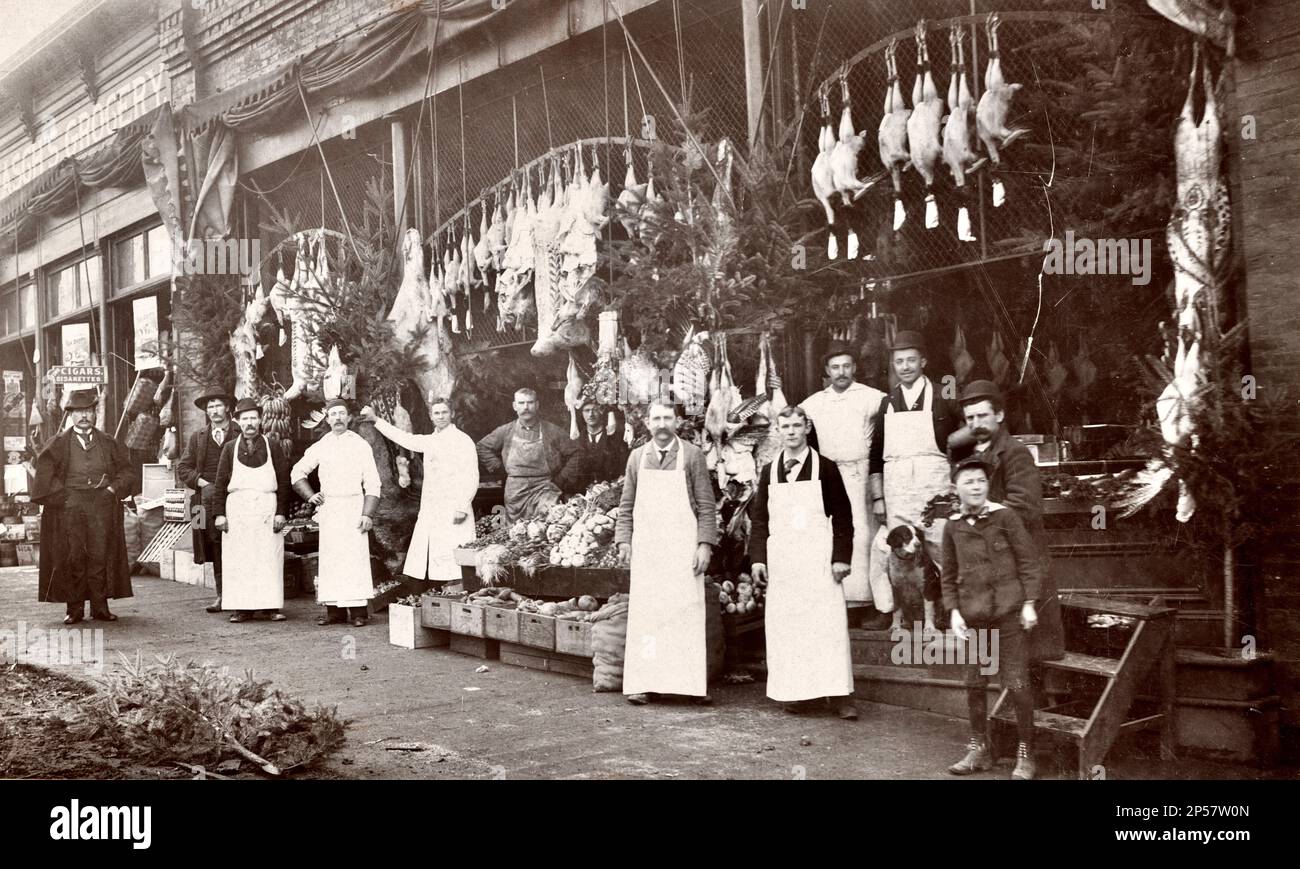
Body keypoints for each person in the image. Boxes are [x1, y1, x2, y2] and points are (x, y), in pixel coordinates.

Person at [748, 406, 857, 720]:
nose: (792, 432)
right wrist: (758, 560)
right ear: (778, 431)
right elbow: (759, 522)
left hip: (819, 562)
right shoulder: (769, 471)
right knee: (791, 629)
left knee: (827, 627)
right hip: (784, 564)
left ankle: (840, 696)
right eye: (786, 426)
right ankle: (797, 694)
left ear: (807, 428)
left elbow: (844, 519)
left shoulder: (826, 468)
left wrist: (840, 558)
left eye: (797, 425)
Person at [942, 454, 1042, 780]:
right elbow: (949, 573)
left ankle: (1025, 754)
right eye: (968, 481)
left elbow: (1028, 561)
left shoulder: (1006, 516)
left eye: (981, 481)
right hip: (974, 616)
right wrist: (954, 611)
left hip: (1008, 613)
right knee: (974, 682)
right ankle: (978, 749)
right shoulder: (953, 525)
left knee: (1016, 684)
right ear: (955, 487)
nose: (975, 486)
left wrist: (1028, 602)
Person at [950, 380, 1064, 661]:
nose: (976, 423)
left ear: (999, 415)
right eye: (970, 418)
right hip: (995, 562)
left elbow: (1025, 506)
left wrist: (978, 516)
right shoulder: (972, 456)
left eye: (982, 416)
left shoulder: (1015, 452)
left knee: (1026, 649)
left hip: (1018, 557)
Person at [615, 400, 718, 706]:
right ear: (647, 423)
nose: (662, 424)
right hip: (648, 550)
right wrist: (624, 541)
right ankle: (644, 683)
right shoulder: (637, 457)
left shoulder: (692, 455)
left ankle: (689, 685)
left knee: (684, 613)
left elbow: (706, 505)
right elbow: (626, 505)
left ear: (677, 422)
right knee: (648, 617)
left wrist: (704, 544)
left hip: (682, 548)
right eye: (656, 418)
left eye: (667, 418)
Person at [868, 331, 973, 573]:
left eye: (911, 360)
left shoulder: (944, 391)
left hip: (935, 489)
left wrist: (955, 453)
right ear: (893, 364)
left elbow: (971, 426)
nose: (905, 367)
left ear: (923, 361)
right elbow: (875, 454)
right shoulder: (887, 402)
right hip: (898, 493)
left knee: (943, 552)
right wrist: (878, 499)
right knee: (903, 559)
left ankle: (953, 610)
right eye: (899, 361)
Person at [800, 344, 891, 625]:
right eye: (835, 367)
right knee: (834, 535)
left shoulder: (873, 398)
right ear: (827, 371)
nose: (841, 373)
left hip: (861, 474)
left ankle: (872, 605)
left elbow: (895, 412)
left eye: (847, 366)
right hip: (830, 475)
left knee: (864, 536)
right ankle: (841, 605)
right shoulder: (813, 403)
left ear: (854, 368)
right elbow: (791, 422)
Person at [32, 390, 136, 624]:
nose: (84, 416)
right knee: (73, 556)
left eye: (88, 411)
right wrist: (65, 496)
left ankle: (100, 608)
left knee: (100, 554)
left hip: (102, 506)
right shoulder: (57, 444)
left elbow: (127, 471)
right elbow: (45, 476)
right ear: (70, 415)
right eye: (78, 412)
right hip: (70, 506)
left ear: (95, 413)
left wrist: (112, 489)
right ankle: (75, 609)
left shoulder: (108, 442)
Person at [359, 398, 478, 581]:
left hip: (455, 505)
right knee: (436, 553)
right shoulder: (431, 440)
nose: (441, 416)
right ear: (431, 416)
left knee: (456, 553)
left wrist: (462, 506)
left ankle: (459, 592)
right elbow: (404, 438)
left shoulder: (463, 440)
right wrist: (376, 420)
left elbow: (471, 476)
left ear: (452, 414)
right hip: (433, 506)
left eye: (444, 412)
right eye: (436, 413)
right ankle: (440, 593)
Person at [291, 398, 382, 628]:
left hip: (353, 507)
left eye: (342, 414)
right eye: (333, 414)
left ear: (349, 417)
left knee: (354, 558)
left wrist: (367, 514)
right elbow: (297, 472)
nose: (338, 418)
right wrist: (311, 496)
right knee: (331, 559)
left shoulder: (360, 444)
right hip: (330, 508)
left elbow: (373, 482)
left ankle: (359, 612)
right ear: (328, 419)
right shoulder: (322, 445)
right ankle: (335, 612)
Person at [212, 398, 292, 623]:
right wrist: (219, 514)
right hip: (238, 511)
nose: (250, 423)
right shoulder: (229, 448)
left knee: (269, 559)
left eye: (253, 418)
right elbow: (220, 483)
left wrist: (281, 513)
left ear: (260, 420)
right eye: (245, 419)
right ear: (237, 421)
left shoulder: (272, 446)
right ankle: (241, 608)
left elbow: (284, 481)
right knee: (240, 559)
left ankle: (271, 607)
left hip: (267, 509)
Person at [476, 388, 582, 522]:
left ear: (537, 405)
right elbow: (482, 447)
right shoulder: (505, 431)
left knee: (546, 527)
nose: (526, 407)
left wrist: (561, 480)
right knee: (516, 533)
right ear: (515, 406)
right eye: (521, 403)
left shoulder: (552, 430)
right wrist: (499, 468)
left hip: (545, 488)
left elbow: (576, 452)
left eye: (530, 402)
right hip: (515, 491)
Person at [177, 389, 237, 612]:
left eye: (218, 405)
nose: (214, 411)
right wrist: (201, 483)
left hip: (236, 496)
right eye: (210, 407)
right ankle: (222, 595)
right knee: (212, 545)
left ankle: (243, 595)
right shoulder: (198, 437)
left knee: (239, 542)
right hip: (204, 500)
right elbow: (183, 468)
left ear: (228, 408)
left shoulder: (240, 432)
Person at [570, 396, 629, 490]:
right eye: (587, 410)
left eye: (595, 410)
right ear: (581, 414)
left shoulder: (616, 439)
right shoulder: (578, 440)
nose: (591, 414)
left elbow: (623, 472)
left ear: (602, 412)